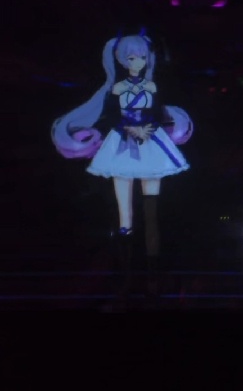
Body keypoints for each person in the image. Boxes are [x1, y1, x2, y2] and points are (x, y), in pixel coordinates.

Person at [51, 30, 193, 300]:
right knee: (124, 216)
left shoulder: (152, 88)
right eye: (130, 57)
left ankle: (152, 274)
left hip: (150, 145)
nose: (136, 62)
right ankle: (125, 275)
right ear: (120, 60)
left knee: (151, 213)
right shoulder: (114, 90)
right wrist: (131, 128)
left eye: (141, 57)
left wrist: (148, 128)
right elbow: (114, 117)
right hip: (123, 147)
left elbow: (158, 115)